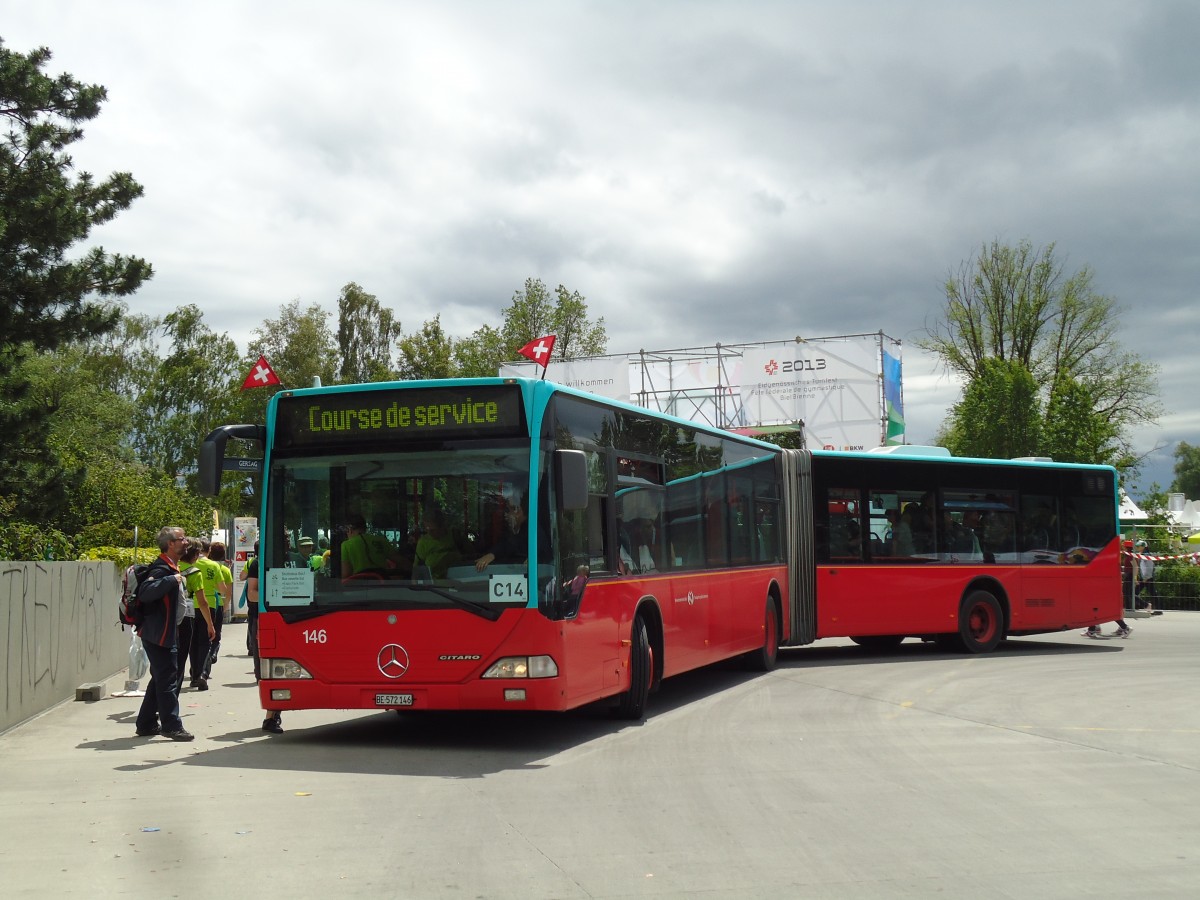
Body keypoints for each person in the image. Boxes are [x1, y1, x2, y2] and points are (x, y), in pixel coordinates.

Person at [133, 526, 195, 741]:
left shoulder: (172, 567)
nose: (186, 542)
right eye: (182, 538)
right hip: (159, 634)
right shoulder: (161, 569)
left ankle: (146, 723)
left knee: (160, 678)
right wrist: (172, 580)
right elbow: (146, 593)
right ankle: (171, 725)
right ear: (170, 544)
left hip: (164, 632)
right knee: (168, 680)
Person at [245, 548, 284, 734]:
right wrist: (275, 595)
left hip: (291, 617)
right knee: (266, 669)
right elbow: (252, 594)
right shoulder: (257, 564)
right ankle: (271, 716)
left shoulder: (296, 559)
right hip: (261, 619)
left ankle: (272, 716)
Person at [176, 539, 217, 691]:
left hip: (169, 617)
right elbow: (203, 602)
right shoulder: (194, 572)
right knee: (201, 644)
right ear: (194, 556)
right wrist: (210, 624)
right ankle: (198, 675)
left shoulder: (173, 567)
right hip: (188, 614)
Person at [199, 541, 234, 680]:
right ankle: (213, 653)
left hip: (201, 603)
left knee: (201, 637)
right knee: (215, 634)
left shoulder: (199, 565)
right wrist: (225, 606)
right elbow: (228, 592)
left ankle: (198, 667)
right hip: (217, 603)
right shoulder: (224, 569)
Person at [475, 499, 529, 570]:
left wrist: (492, 554)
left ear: (519, 511)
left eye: (509, 511)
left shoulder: (531, 530)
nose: (507, 515)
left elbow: (513, 544)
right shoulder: (515, 529)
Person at [413, 508, 461, 578]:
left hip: (460, 581)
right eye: (427, 529)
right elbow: (417, 569)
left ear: (442, 526)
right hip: (434, 586)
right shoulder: (423, 542)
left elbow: (471, 557)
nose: (429, 533)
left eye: (433, 530)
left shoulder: (455, 536)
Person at [1134, 540, 1156, 612]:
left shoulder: (1146, 555)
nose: (1137, 547)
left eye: (1138, 546)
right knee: (1135, 593)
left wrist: (1146, 577)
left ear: (1143, 547)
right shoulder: (1142, 554)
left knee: (1153, 594)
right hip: (1144, 578)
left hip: (1147, 578)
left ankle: (1157, 609)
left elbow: (1149, 567)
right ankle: (1138, 606)